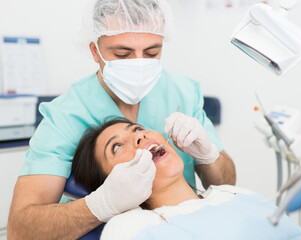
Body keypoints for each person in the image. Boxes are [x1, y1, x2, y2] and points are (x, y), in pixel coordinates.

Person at [7, 0, 236, 239]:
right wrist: (101, 205)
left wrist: (208, 155)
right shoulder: (65, 115)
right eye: (122, 53)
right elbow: (20, 230)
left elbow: (227, 184)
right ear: (95, 51)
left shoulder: (183, 92)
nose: (138, 63)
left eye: (152, 52)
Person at [71, 117, 301, 240]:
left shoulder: (235, 195)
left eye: (137, 129)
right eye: (116, 147)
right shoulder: (128, 228)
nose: (140, 137)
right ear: (111, 182)